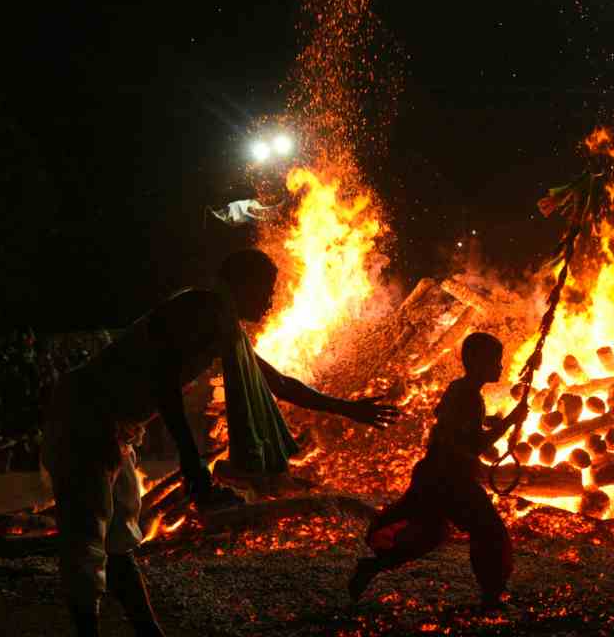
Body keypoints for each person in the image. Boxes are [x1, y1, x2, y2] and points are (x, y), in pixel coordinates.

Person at [43, 248, 401, 636]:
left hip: (113, 427)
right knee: (87, 541)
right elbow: (165, 382)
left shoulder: (221, 320)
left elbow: (278, 384)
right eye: (267, 289)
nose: (270, 301)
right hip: (85, 417)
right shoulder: (202, 308)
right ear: (242, 284)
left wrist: (347, 408)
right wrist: (193, 460)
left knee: (117, 541)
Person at [348, 332, 528, 610]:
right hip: (450, 480)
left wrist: (490, 423)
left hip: (434, 475)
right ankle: (492, 597)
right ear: (477, 361)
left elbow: (450, 422)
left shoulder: (461, 390)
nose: (500, 366)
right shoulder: (467, 395)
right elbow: (472, 444)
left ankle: (373, 566)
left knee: (429, 533)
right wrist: (508, 422)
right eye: (495, 360)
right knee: (489, 531)